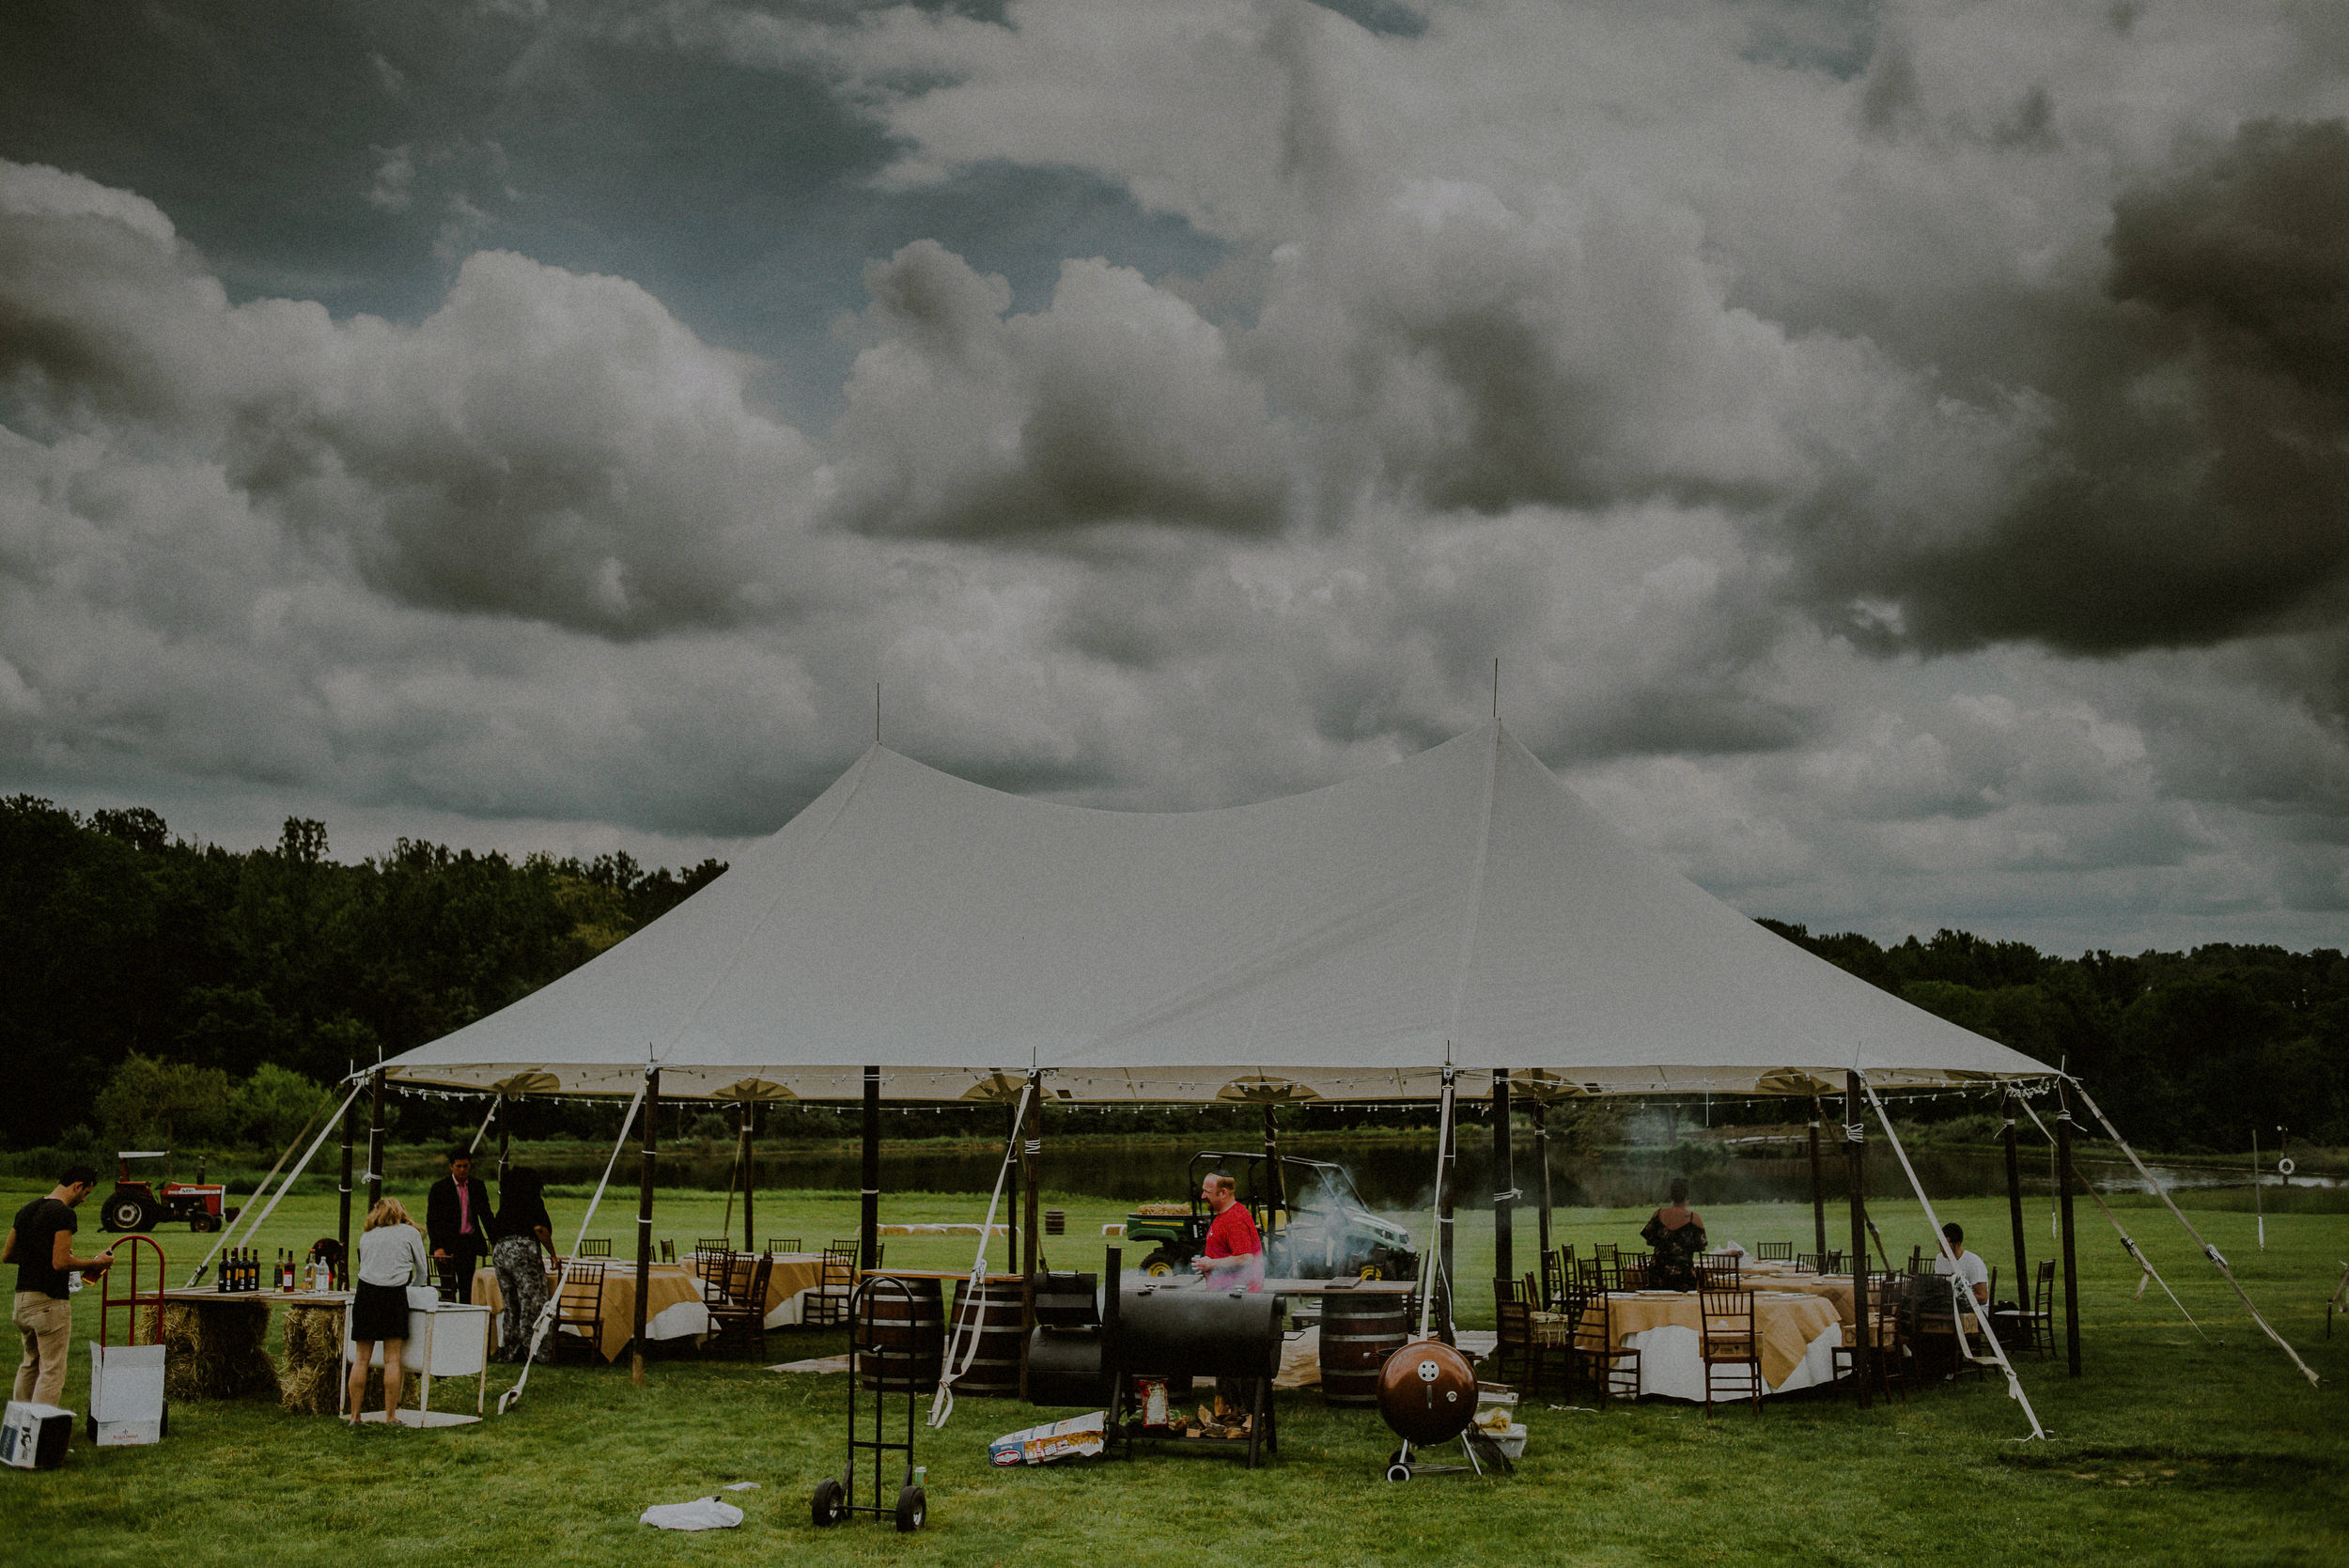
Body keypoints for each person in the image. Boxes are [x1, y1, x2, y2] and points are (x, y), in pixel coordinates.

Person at [5, 1162, 113, 1406]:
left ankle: (19, 1432)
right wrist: (96, 1263)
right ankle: (42, 1437)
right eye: (86, 1193)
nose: (84, 1200)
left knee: (30, 1363)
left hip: (22, 1300)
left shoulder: (26, 1209)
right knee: (52, 1369)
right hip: (49, 1302)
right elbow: (61, 1262)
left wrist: (38, 1256)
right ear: (78, 1186)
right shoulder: (63, 1213)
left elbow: (7, 1255)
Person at [349, 1196, 430, 1427]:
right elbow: (422, 1271)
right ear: (401, 1213)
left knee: (362, 1359)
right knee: (392, 1359)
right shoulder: (410, 1233)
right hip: (393, 1295)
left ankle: (355, 1416)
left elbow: (367, 1267)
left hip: (365, 1294)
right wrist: (412, 1290)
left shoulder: (367, 1236)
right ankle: (390, 1416)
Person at [490, 1167, 555, 1364]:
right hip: (522, 1250)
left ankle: (510, 1349)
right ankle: (535, 1350)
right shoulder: (533, 1202)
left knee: (511, 1304)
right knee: (533, 1302)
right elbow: (540, 1229)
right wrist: (552, 1253)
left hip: (501, 1250)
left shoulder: (506, 1205)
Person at [425, 1149, 494, 1302]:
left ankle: (466, 1322)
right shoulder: (439, 1188)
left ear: (470, 1166)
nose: (462, 1170)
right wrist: (438, 1247)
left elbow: (486, 1215)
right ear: (451, 1166)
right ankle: (448, 1323)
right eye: (459, 1166)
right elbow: (432, 1220)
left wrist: (495, 1241)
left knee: (467, 1288)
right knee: (448, 1289)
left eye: (465, 1166)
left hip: (468, 1244)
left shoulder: (477, 1186)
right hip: (445, 1246)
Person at [1190, 1172, 1264, 1292]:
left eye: (1207, 1192)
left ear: (1223, 1192)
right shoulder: (1226, 1214)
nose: (1203, 1196)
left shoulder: (1235, 1219)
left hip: (1237, 1296)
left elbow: (1245, 1258)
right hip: (1227, 1293)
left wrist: (1211, 1264)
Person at [1641, 1177, 1707, 1290]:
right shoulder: (1694, 1219)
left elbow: (1649, 1240)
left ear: (1671, 1196)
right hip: (1683, 1273)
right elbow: (1701, 1246)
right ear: (1687, 1197)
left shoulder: (1658, 1214)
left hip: (1658, 1271)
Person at [1931, 1221, 1991, 1313]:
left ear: (1958, 1245)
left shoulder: (1973, 1263)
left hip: (1975, 1312)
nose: (1942, 1249)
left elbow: (1983, 1298)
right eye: (1940, 1244)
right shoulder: (1940, 1258)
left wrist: (1956, 1298)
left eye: (1946, 1246)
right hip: (1949, 1309)